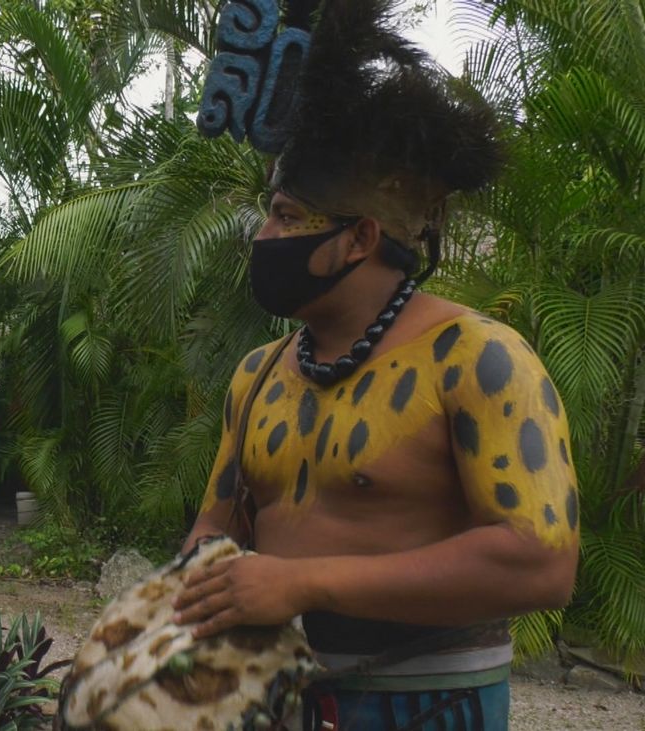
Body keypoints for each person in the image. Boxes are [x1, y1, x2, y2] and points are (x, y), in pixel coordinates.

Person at [174, 1, 579, 728]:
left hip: (431, 703)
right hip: (276, 697)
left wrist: (304, 582)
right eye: (270, 210)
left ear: (360, 236)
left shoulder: (479, 359)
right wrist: (205, 570)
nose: (263, 235)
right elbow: (219, 516)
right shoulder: (259, 373)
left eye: (288, 216)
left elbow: (542, 562)